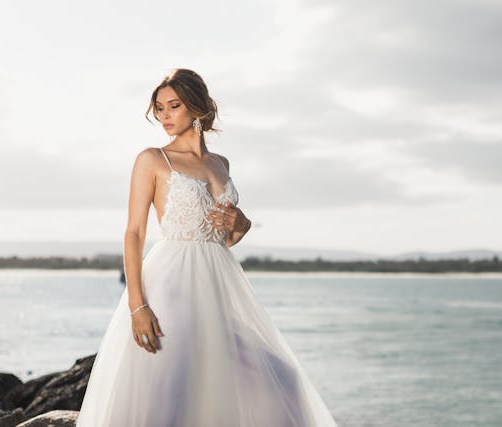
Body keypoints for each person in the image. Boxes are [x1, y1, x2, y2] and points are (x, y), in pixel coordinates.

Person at [76, 68, 339, 426]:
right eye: (160, 108)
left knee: (282, 380)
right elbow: (134, 233)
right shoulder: (153, 159)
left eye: (174, 106)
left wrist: (242, 224)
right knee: (171, 391)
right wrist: (137, 306)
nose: (165, 116)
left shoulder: (220, 164)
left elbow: (226, 237)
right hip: (172, 285)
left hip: (217, 286)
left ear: (197, 108)